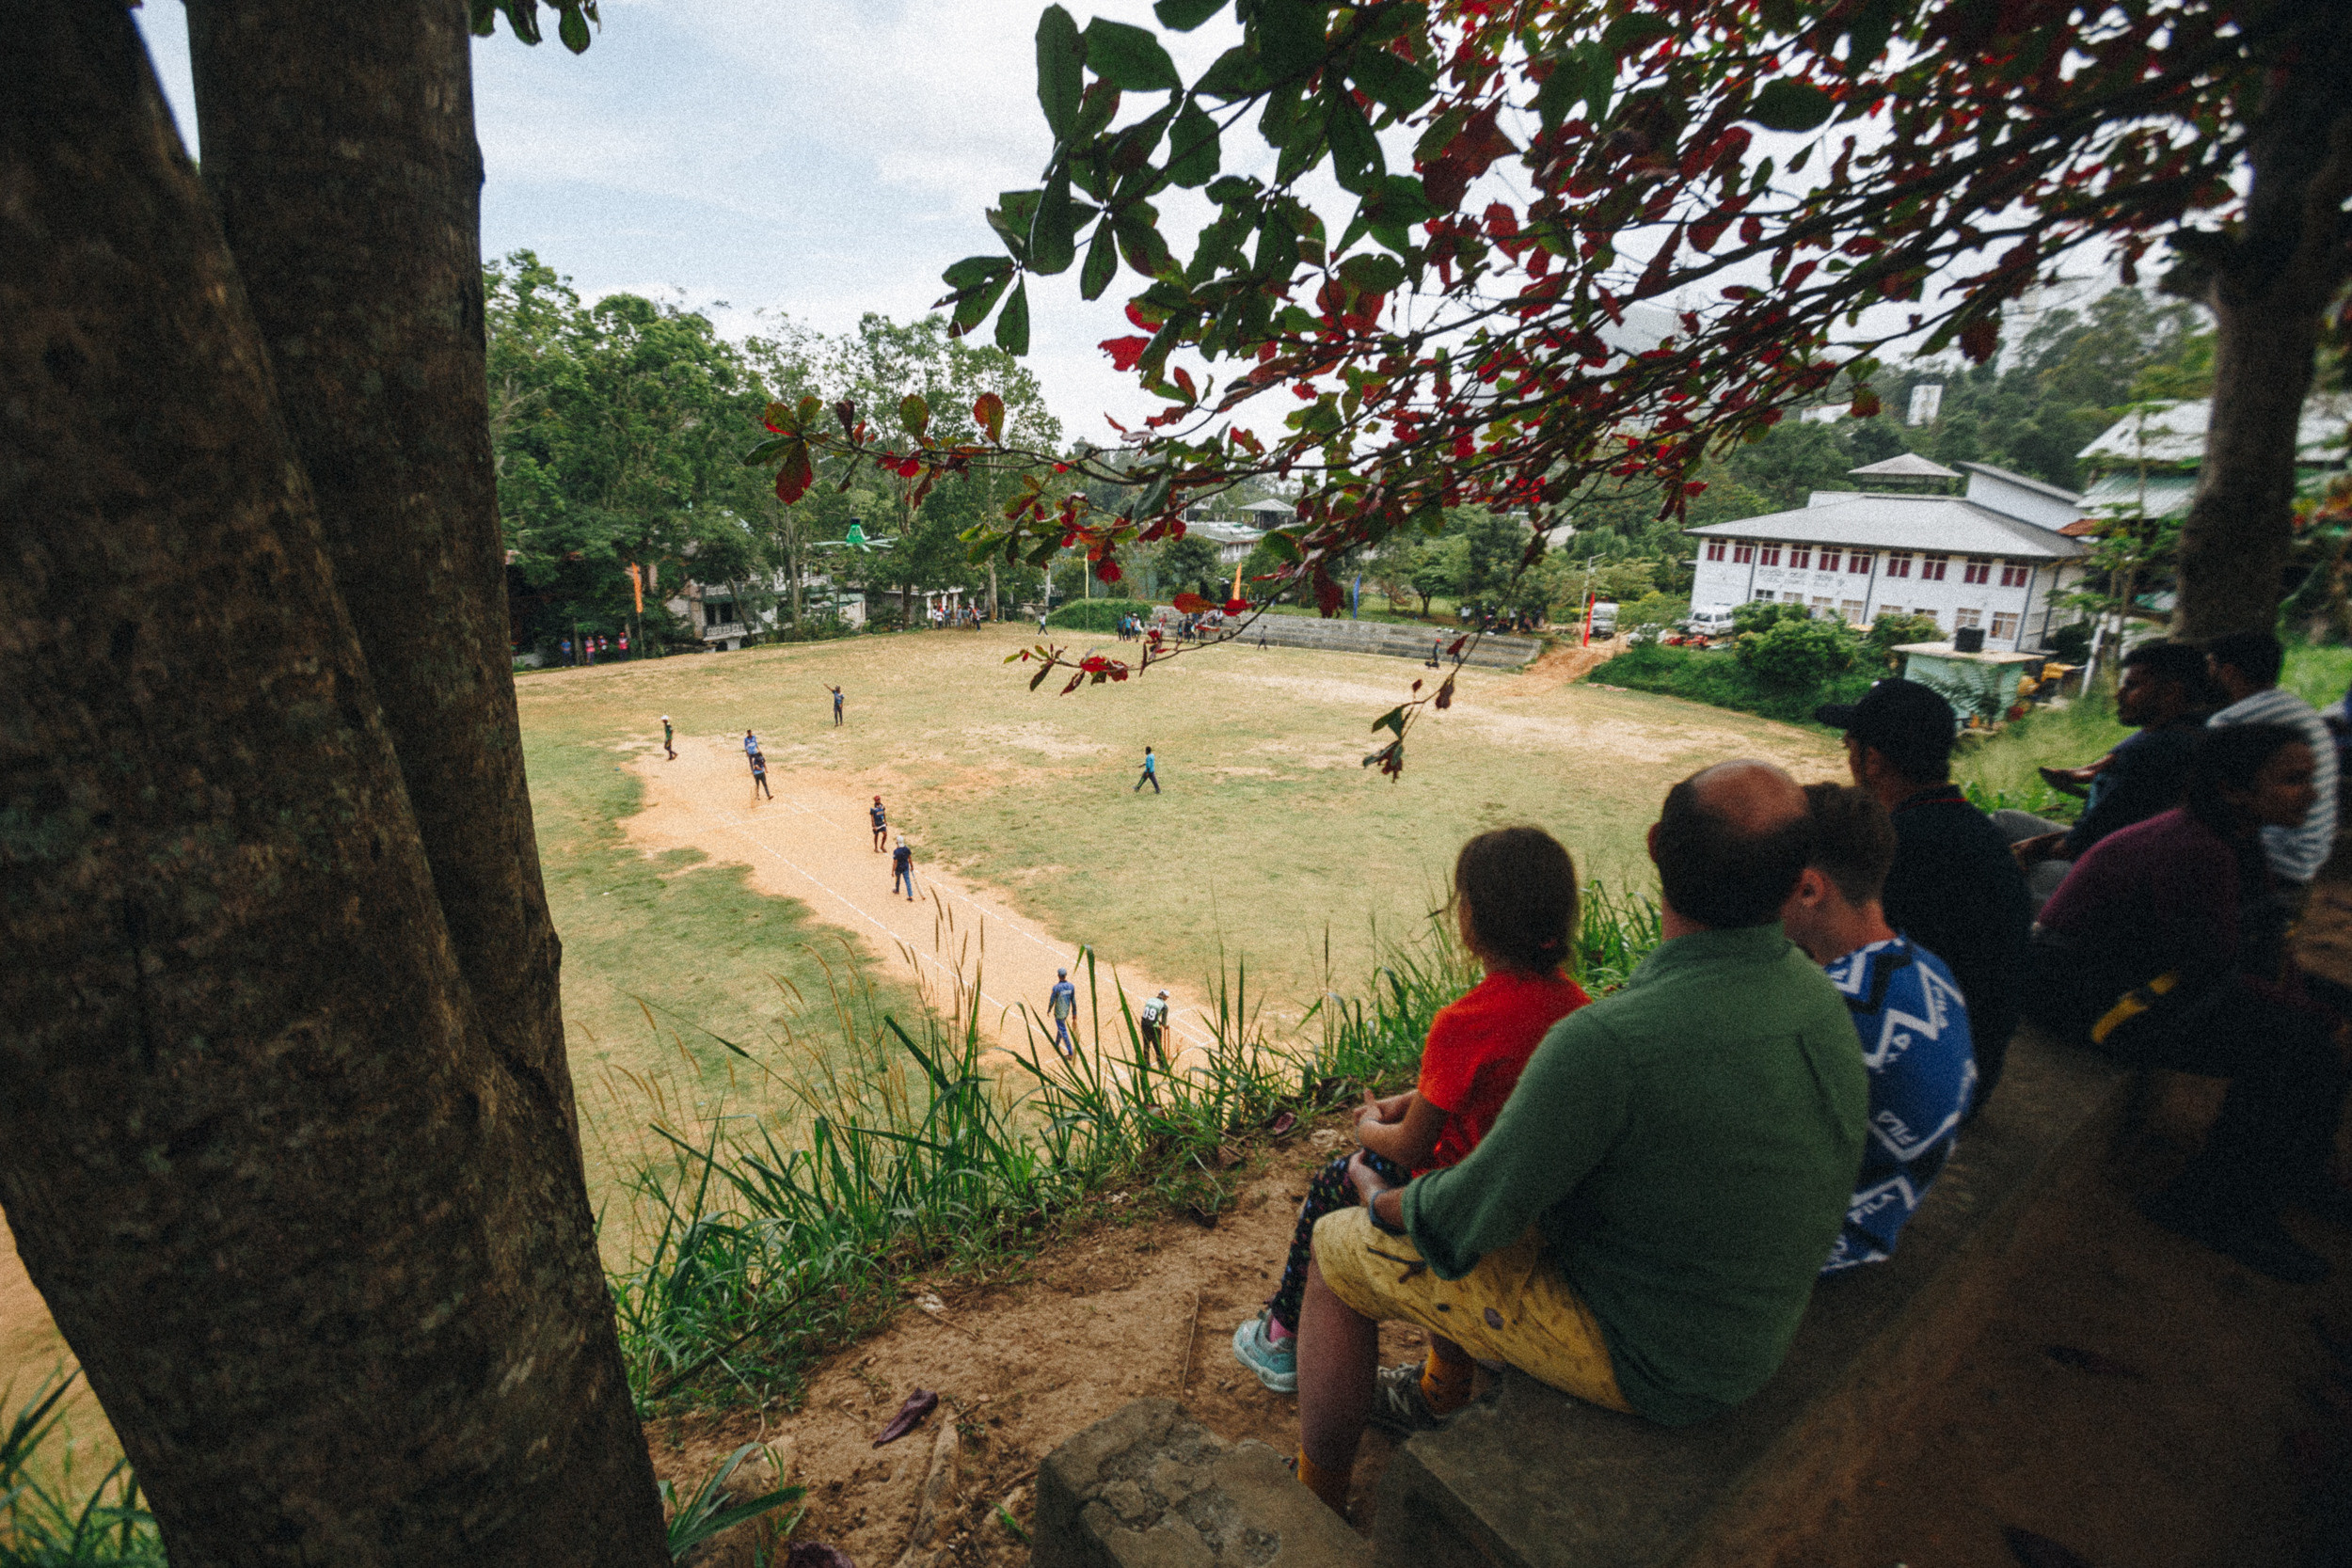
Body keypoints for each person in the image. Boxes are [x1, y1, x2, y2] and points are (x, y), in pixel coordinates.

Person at [1287, 762, 1864, 1517]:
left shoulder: (1610, 1041)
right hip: (1749, 1326)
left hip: (1656, 1357)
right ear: (1799, 880)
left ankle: (1314, 1499)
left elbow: (1460, 1223)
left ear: (1657, 847)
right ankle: (1433, 1391)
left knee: (1336, 1252)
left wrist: (1376, 1194)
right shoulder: (1815, 994)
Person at [1232, 828, 1593, 1398]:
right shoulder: (1575, 1006)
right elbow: (1486, 1095)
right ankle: (1443, 1380)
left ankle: (1282, 1336)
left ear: (1471, 922)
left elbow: (1412, 1149)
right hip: (1527, 1195)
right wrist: (1414, 1101)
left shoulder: (1464, 1021)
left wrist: (1369, 1127)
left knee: (1335, 1181)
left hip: (1458, 1197)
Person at [2026, 724, 2352, 1282]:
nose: (2316, 794)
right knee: (2301, 1051)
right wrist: (2316, 1020)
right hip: (2085, 998)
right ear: (2233, 788)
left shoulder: (2233, 837)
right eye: (2294, 779)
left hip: (2142, 979)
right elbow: (2215, 970)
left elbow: (2260, 940)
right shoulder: (2198, 849)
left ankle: (2289, 1174)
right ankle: (2212, 1207)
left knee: (2317, 1019)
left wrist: (2316, 1008)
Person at [1779, 784, 1976, 1275]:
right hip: (1883, 1212)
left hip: (1824, 1243)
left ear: (1808, 889)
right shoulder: (1928, 970)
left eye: (1763, 879)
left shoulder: (1832, 1015)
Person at [1815, 679, 2029, 1110]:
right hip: (1967, 1069)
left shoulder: (1893, 849)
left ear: (1871, 760)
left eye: (1848, 747)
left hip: (1926, 1091)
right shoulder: (1976, 831)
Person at [2001, 641, 2214, 902]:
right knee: (2005, 821)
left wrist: (2032, 849)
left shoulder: (2153, 753)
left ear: (2171, 693)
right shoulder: (2196, 730)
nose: (2119, 695)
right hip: (2129, 854)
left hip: (2122, 876)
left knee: (2011, 868)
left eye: (2132, 686)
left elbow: (2080, 843)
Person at [2205, 630, 2337, 885]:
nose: (2207, 674)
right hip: (2310, 850)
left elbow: (2212, 796)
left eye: (2210, 665)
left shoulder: (2230, 721)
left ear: (2229, 672)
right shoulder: (2298, 709)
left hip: (2277, 857)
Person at [1049, 967, 1078, 1059]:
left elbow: (1052, 1000)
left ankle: (1070, 1053)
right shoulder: (1071, 986)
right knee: (1060, 1028)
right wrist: (1074, 1014)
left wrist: (1049, 1009)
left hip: (1059, 1013)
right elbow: (1073, 1001)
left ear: (1058, 976)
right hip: (1066, 1012)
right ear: (1065, 976)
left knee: (1063, 1031)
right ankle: (1057, 1043)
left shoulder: (1056, 987)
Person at [1140, 989, 1171, 1068]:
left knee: (1146, 1044)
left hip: (1144, 1024)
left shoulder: (1149, 1000)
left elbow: (1149, 1015)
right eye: (1166, 997)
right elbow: (1164, 1023)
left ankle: (1146, 1063)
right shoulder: (1164, 1006)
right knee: (1157, 1046)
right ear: (1164, 997)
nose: (1166, 999)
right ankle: (1162, 1066)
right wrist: (1165, 1025)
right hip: (1153, 1028)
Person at [890, 833, 916, 900]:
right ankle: (910, 895)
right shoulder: (907, 849)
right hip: (905, 867)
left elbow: (895, 862)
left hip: (898, 868)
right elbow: (909, 858)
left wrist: (893, 871)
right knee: (908, 881)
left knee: (897, 879)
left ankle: (897, 890)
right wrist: (912, 866)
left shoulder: (896, 851)